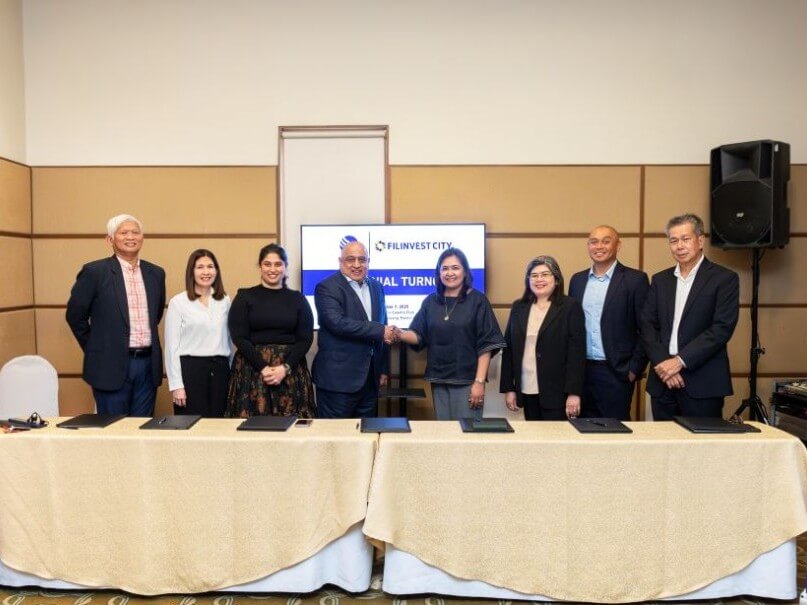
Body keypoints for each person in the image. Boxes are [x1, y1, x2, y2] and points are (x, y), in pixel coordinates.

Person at [640, 213, 740, 420]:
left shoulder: (724, 279)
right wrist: (664, 364)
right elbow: (647, 325)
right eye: (673, 240)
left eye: (686, 239)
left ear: (700, 240)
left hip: (702, 382)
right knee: (662, 448)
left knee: (702, 450)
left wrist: (680, 362)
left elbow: (721, 328)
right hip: (662, 380)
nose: (679, 246)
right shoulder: (660, 280)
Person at [66, 214, 166, 416]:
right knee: (114, 431)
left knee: (142, 430)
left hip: (147, 365)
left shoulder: (156, 273)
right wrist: (98, 348)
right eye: (124, 232)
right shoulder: (95, 272)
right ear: (109, 240)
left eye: (135, 232)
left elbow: (154, 316)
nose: (131, 236)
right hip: (109, 366)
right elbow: (75, 316)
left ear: (142, 238)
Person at [397, 247, 504, 420]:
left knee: (466, 436)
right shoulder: (431, 301)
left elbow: (486, 345)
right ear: (438, 273)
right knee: (445, 435)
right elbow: (418, 335)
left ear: (465, 271)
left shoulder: (478, 300)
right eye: (445, 268)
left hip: (467, 381)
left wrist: (479, 382)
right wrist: (398, 333)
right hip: (439, 380)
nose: (450, 273)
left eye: (455, 267)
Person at [568, 226, 649, 420]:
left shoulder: (635, 280)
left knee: (615, 433)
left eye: (606, 241)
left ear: (618, 245)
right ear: (588, 246)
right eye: (594, 241)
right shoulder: (577, 281)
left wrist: (633, 370)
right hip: (582, 371)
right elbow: (571, 329)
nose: (599, 246)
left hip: (617, 372)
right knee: (581, 431)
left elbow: (646, 329)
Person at [225, 243, 315, 418]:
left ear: (285, 267)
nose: (272, 269)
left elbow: (305, 339)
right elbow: (239, 337)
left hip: (290, 373)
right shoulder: (244, 297)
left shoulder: (298, 299)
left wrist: (285, 368)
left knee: (293, 431)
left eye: (278, 264)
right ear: (260, 266)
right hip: (252, 371)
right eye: (267, 264)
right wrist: (263, 367)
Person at [312, 239, 395, 418]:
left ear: (368, 262)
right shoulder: (326, 288)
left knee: (366, 438)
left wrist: (382, 369)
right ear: (340, 262)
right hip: (337, 383)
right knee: (335, 441)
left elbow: (384, 324)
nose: (357, 265)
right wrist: (380, 331)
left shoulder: (377, 287)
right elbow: (337, 323)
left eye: (362, 259)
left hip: (370, 382)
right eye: (350, 259)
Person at [500, 256, 586, 421]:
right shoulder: (519, 307)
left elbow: (577, 354)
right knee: (534, 441)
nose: (539, 279)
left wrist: (574, 393)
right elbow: (509, 349)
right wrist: (509, 388)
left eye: (545, 274)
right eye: (534, 275)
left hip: (557, 392)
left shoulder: (570, 307)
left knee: (557, 443)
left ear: (557, 279)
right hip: (526, 387)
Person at [164, 249, 231, 417]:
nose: (206, 272)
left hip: (220, 371)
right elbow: (171, 347)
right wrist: (177, 385)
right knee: (191, 426)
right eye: (200, 267)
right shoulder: (178, 302)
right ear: (191, 272)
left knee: (219, 426)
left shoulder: (224, 300)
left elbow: (229, 340)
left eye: (210, 266)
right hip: (191, 372)